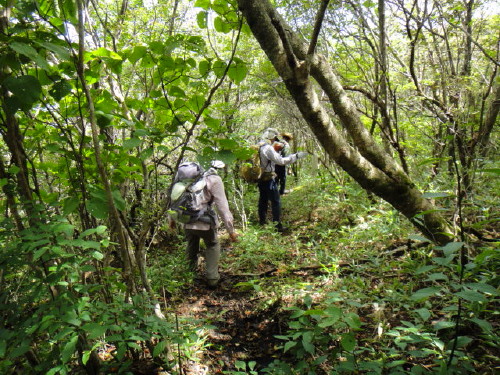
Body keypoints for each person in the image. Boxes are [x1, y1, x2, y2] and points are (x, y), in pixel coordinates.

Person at [170, 160, 238, 288]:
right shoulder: (214, 179)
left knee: (192, 244)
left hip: (186, 220)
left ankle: (189, 275)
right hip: (204, 222)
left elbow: (173, 198)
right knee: (212, 244)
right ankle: (212, 278)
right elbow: (222, 207)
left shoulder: (182, 178)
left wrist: (172, 219)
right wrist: (231, 230)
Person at [257, 128, 307, 232]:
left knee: (263, 199)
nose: (275, 140)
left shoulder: (258, 146)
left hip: (259, 177)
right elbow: (280, 161)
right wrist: (296, 156)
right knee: (275, 201)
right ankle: (277, 226)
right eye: (275, 137)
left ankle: (262, 222)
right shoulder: (268, 148)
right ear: (271, 137)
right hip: (269, 178)